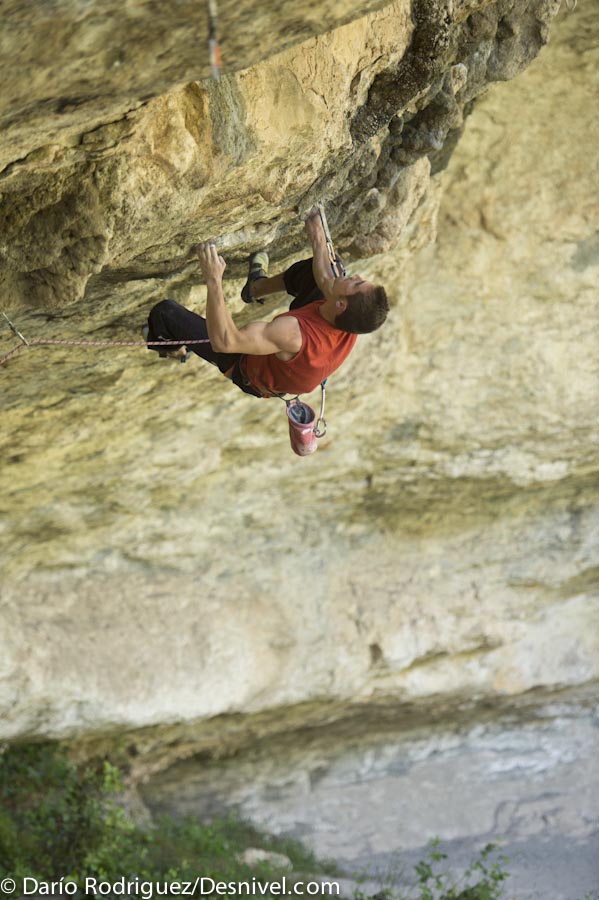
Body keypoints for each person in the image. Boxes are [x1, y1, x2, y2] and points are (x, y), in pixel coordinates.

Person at [144, 207, 388, 398]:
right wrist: (315, 224)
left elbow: (226, 342)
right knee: (320, 275)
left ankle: (170, 347)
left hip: (246, 368)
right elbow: (326, 276)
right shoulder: (353, 317)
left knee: (164, 313)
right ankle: (255, 288)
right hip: (295, 355)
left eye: (357, 283)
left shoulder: (291, 333)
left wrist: (213, 279)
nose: (356, 277)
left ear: (341, 305)